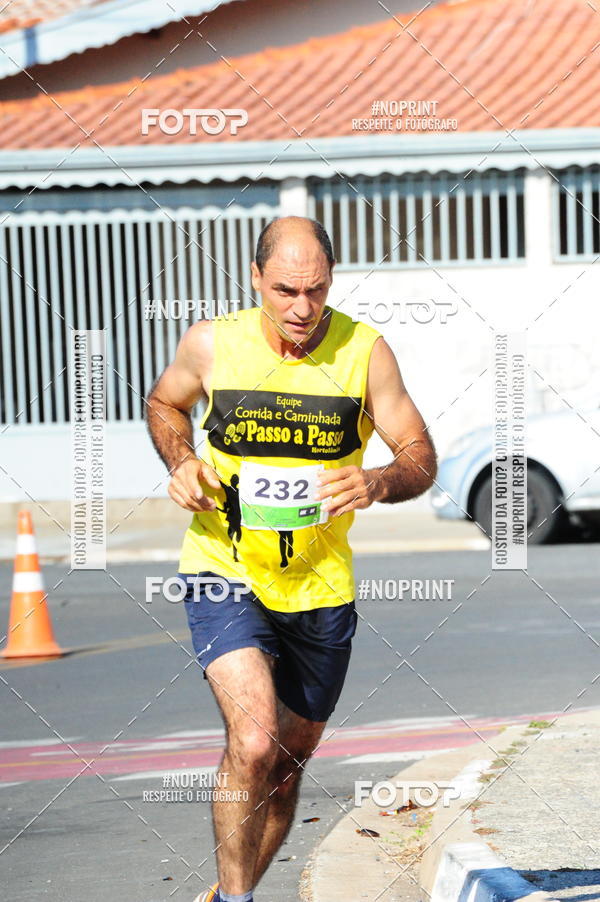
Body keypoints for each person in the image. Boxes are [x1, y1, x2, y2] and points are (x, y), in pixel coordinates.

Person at [146, 216, 437, 902]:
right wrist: (183, 459)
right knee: (252, 742)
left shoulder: (366, 353)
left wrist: (376, 481)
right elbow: (165, 402)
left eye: (316, 290)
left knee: (285, 763)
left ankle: (228, 889)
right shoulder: (213, 344)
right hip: (226, 567)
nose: (302, 308)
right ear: (255, 280)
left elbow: (420, 457)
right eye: (285, 290)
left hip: (320, 584)